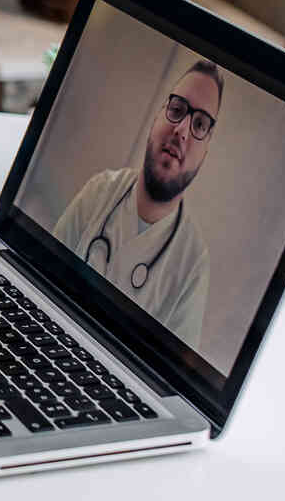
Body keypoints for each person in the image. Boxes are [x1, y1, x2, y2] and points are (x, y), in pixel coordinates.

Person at [50, 58, 223, 347]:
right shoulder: (101, 190)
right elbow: (42, 274)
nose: (181, 130)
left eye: (200, 124)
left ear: (205, 154)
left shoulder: (192, 264)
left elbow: (172, 378)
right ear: (157, 118)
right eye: (177, 110)